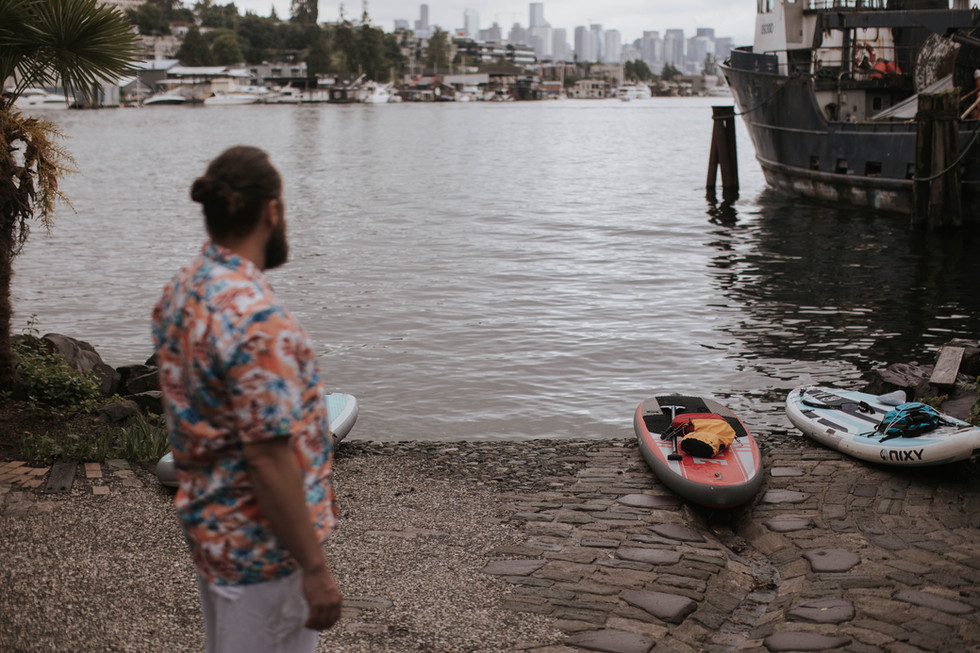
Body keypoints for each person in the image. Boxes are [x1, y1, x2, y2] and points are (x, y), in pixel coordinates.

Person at [152, 145, 342, 653]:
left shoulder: (183, 290)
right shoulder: (257, 318)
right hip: (266, 551)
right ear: (272, 211)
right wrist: (316, 569)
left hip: (213, 527)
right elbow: (266, 454)